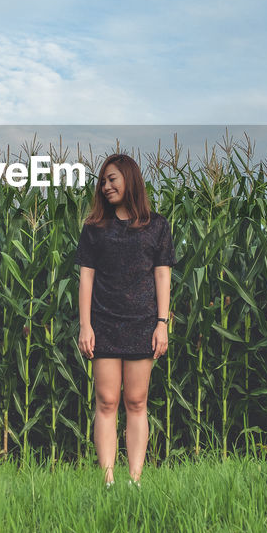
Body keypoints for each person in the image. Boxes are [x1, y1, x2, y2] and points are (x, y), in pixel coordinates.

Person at [74, 153, 176, 489]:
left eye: (112, 179)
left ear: (130, 179)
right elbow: (86, 279)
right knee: (106, 401)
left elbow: (163, 276)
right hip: (103, 322)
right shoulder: (94, 229)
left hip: (142, 323)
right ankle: (107, 480)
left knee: (136, 401)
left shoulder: (157, 226)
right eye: (102, 181)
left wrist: (162, 323)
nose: (105, 187)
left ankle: (134, 480)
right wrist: (85, 325)